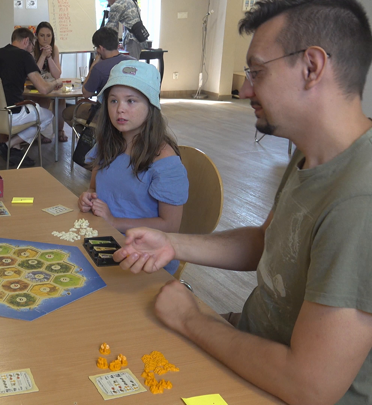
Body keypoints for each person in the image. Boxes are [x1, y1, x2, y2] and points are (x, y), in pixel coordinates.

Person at [113, 1, 372, 403]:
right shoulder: (314, 154)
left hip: (281, 385)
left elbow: (309, 385)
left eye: (257, 71)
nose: (246, 89)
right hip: (251, 343)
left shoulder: (360, 199)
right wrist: (171, 244)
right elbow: (267, 243)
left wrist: (192, 318)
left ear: (312, 67)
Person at [78, 60, 187, 275]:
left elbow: (170, 226)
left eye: (131, 101)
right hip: (104, 239)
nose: (120, 109)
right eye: (113, 101)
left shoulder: (165, 162)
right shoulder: (107, 145)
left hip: (147, 258)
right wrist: (88, 197)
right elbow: (94, 189)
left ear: (151, 106)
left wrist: (114, 221)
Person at [0, 27, 63, 168]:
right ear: (26, 41)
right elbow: (43, 89)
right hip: (11, 114)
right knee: (47, 116)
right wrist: (56, 82)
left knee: (29, 110)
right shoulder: (24, 56)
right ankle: (8, 145)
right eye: (32, 44)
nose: (32, 49)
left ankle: (13, 150)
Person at [62, 27, 133, 133]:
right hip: (130, 110)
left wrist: (93, 65)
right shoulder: (133, 62)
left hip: (105, 114)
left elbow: (86, 93)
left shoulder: (99, 68)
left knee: (66, 114)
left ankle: (93, 138)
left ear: (100, 48)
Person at [30, 22, 67, 143]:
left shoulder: (54, 48)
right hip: (35, 85)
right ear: (37, 36)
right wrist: (43, 55)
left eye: (48, 35)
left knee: (61, 99)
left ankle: (60, 130)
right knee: (43, 99)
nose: (45, 39)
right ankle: (41, 133)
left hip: (51, 83)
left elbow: (57, 74)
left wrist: (49, 57)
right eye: (42, 35)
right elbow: (35, 73)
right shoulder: (31, 48)